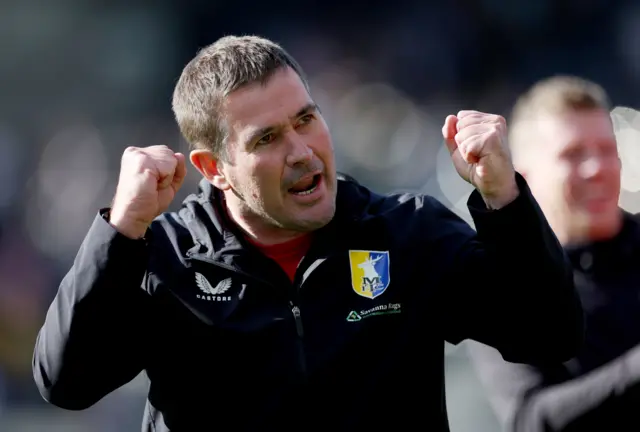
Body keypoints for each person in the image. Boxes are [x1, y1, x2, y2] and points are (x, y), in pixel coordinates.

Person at [32, 35, 583, 432]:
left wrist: (504, 199)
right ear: (213, 168)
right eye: (266, 138)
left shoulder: (405, 232)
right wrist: (121, 229)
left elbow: (550, 333)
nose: (300, 150)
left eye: (305, 119)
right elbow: (67, 385)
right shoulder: (165, 258)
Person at [468, 76, 640, 431]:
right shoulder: (506, 281)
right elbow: (530, 419)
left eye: (607, 150)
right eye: (573, 155)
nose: (597, 169)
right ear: (525, 177)